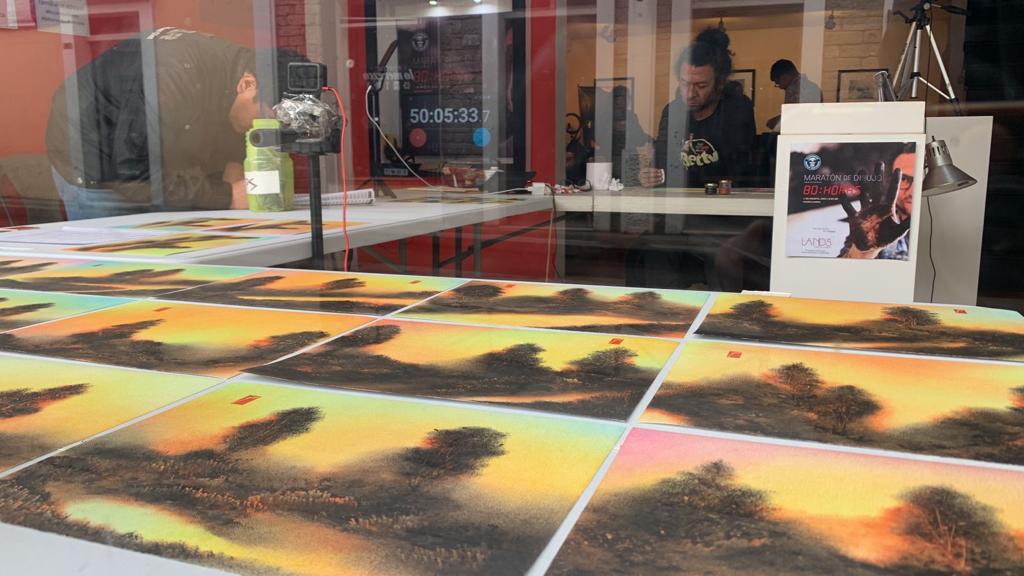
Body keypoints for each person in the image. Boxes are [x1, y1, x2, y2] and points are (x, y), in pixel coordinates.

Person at [47, 27, 307, 220]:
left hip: (150, 161)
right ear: (248, 84)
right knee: (118, 264)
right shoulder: (171, 80)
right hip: (96, 161)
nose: (269, 132)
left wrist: (233, 164)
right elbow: (131, 174)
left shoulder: (241, 70)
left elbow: (223, 117)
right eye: (269, 121)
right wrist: (226, 195)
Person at [640, 28, 755, 189]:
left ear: (719, 83)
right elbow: (663, 164)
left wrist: (672, 176)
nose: (690, 94)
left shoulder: (736, 109)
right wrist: (652, 177)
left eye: (701, 86)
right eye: (684, 83)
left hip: (723, 201)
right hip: (680, 202)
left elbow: (738, 171)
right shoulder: (673, 112)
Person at [765, 59, 823, 131]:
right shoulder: (813, 86)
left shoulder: (794, 89)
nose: (780, 87)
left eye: (778, 83)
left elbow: (796, 116)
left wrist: (776, 123)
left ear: (785, 77)